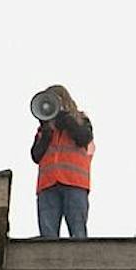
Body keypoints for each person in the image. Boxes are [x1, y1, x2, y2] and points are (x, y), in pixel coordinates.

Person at [30, 85, 94, 237]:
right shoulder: (43, 130)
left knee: (78, 232)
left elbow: (84, 138)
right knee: (48, 236)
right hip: (48, 185)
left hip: (74, 183)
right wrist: (47, 132)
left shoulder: (81, 121)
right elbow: (36, 155)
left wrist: (67, 122)